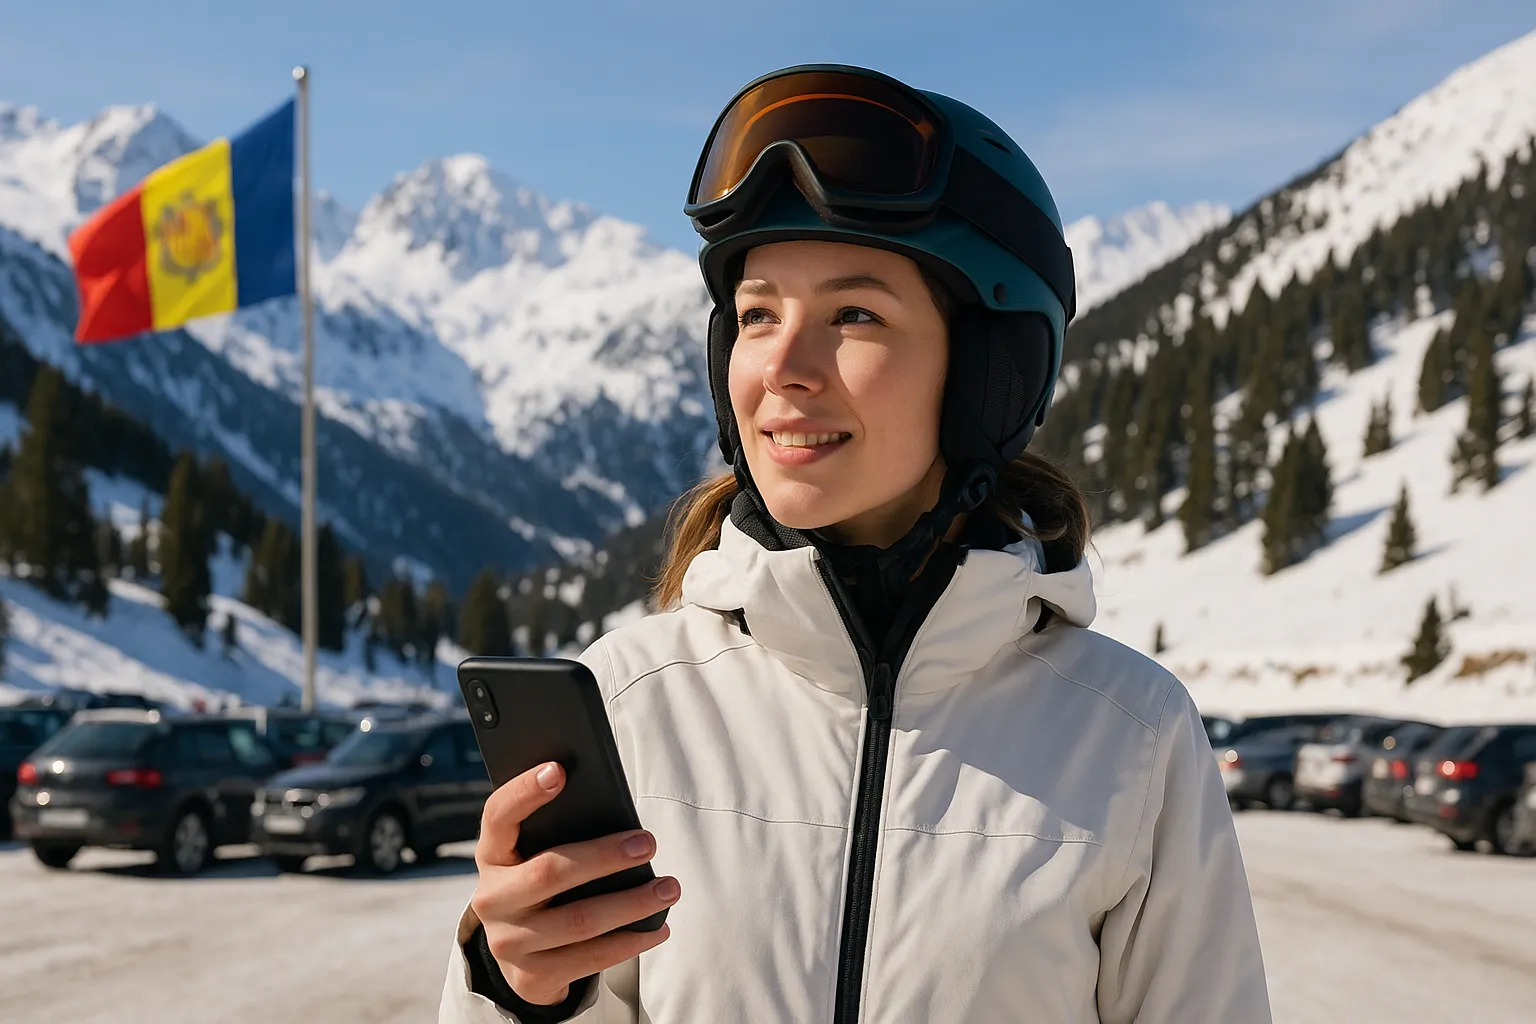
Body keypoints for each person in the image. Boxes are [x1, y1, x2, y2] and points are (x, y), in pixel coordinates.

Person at [440, 64, 1271, 1023]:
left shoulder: (1131, 737)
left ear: (990, 375)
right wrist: (522, 991)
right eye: (757, 316)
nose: (783, 370)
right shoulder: (631, 701)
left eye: (854, 315)